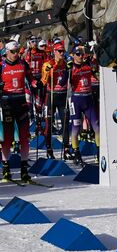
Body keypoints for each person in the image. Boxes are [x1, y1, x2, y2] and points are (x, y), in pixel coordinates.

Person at [1, 40, 39, 182]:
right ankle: (6, 169)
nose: (15, 54)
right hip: (7, 106)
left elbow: (31, 78)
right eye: (12, 52)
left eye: (17, 51)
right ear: (6, 52)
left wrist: (36, 83)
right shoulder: (1, 65)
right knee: (7, 140)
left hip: (22, 104)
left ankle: (24, 170)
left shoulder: (23, 63)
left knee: (24, 138)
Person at [64, 45, 100, 165]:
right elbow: (62, 82)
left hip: (88, 99)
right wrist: (66, 71)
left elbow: (97, 74)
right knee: (75, 127)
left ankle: (100, 152)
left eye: (81, 54)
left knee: (97, 127)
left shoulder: (87, 65)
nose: (80, 56)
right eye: (78, 54)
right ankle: (76, 153)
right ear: (73, 55)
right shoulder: (70, 67)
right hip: (76, 100)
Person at [41, 41, 71, 159]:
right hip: (51, 96)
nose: (62, 53)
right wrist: (47, 72)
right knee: (48, 124)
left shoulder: (66, 64)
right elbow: (43, 81)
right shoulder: (48, 63)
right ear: (54, 52)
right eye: (59, 51)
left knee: (65, 123)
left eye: (63, 51)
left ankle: (66, 149)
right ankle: (49, 149)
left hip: (63, 96)